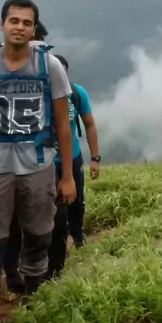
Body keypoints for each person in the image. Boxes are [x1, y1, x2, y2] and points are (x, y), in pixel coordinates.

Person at [0, 0, 76, 299]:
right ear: (2, 24)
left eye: (27, 23)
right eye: (14, 21)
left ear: (34, 28)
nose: (20, 27)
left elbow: (63, 126)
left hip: (38, 164)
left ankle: (33, 294)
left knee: (39, 232)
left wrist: (67, 176)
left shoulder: (49, 66)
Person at [54, 54, 100, 247]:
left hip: (72, 157)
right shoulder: (38, 96)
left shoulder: (76, 93)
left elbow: (89, 124)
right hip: (45, 161)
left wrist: (95, 158)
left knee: (76, 200)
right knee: (54, 207)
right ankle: (56, 243)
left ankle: (78, 236)